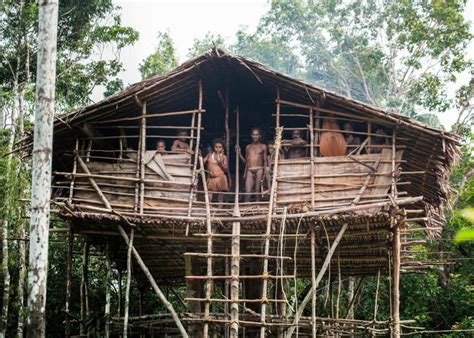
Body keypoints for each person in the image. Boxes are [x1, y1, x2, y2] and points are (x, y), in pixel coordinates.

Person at [237, 128, 268, 202]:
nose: (255, 136)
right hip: (249, 170)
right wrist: (239, 154)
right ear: (251, 135)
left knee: (257, 191)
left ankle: (257, 208)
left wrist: (264, 173)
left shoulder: (263, 146)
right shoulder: (248, 147)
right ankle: (246, 208)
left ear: (260, 136)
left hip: (259, 169)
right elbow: (246, 162)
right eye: (254, 135)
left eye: (257, 135)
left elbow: (265, 161)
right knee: (247, 192)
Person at [203, 139, 229, 205]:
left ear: (222, 148)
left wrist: (220, 163)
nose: (218, 149)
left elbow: (226, 169)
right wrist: (200, 155)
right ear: (213, 147)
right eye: (216, 147)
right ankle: (209, 208)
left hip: (220, 178)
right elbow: (202, 162)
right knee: (209, 195)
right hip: (211, 178)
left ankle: (220, 209)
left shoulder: (223, 157)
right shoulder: (210, 155)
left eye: (220, 147)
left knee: (220, 196)